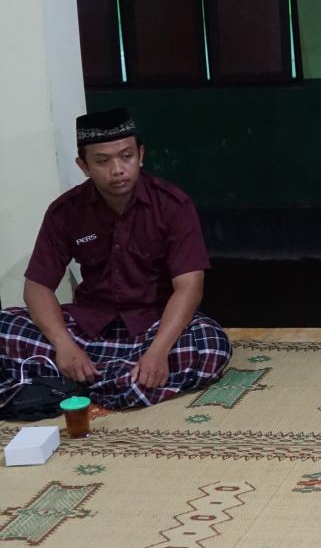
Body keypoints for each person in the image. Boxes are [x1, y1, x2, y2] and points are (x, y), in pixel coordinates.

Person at [0, 108, 231, 410]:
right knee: (5, 325)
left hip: (152, 327)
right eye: (102, 161)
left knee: (211, 344)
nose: (118, 170)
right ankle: (119, 386)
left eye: (126, 156)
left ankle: (66, 388)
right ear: (83, 166)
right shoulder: (66, 211)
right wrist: (64, 345)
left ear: (141, 155)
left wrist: (158, 352)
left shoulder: (173, 205)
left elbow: (190, 287)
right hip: (89, 328)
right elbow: (37, 288)